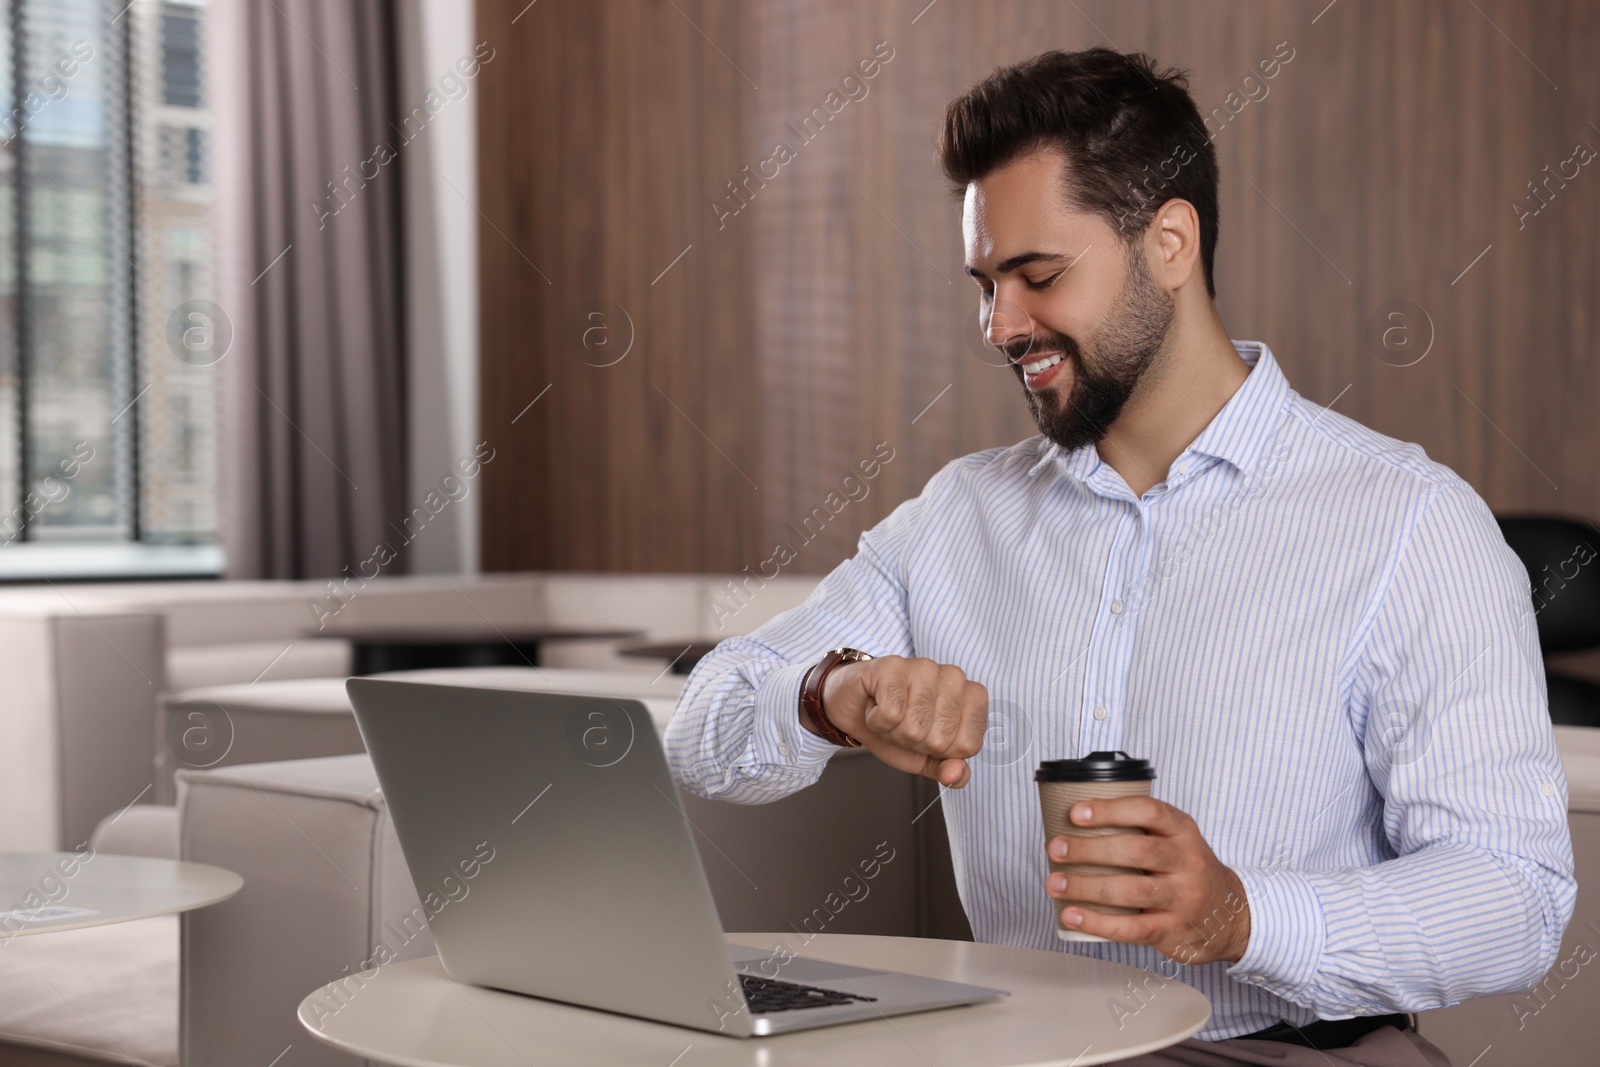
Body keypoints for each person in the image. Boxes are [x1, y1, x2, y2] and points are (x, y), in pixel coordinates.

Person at [663, 47, 1574, 1066]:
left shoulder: (1408, 523)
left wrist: (1240, 916)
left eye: (1037, 275)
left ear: (1170, 243)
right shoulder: (958, 517)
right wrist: (829, 695)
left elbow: (1514, 898)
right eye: (985, 283)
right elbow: (701, 725)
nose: (1000, 325)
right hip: (1017, 1047)